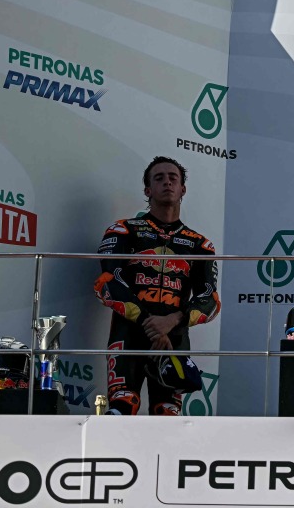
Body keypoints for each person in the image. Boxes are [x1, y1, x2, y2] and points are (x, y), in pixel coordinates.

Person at [93, 156, 220, 415]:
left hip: (174, 337)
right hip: (128, 334)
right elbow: (108, 283)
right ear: (148, 190)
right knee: (122, 405)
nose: (167, 182)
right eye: (159, 178)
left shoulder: (200, 244)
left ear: (183, 189)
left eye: (173, 178)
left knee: (167, 414)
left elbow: (210, 299)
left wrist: (172, 321)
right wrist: (151, 325)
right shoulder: (124, 230)